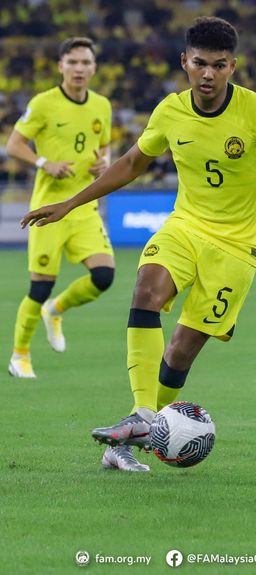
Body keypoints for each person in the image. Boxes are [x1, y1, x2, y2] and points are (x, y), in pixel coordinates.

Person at [21, 17, 256, 472]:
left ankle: (127, 441)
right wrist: (69, 203)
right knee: (146, 289)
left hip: (238, 248)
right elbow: (130, 163)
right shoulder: (169, 111)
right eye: (199, 63)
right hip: (185, 227)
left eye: (218, 66)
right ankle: (143, 417)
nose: (208, 74)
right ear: (184, 61)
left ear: (232, 67)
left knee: (181, 350)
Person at [7, 37, 113, 379]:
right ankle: (19, 356)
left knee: (104, 276)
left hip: (83, 206)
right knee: (39, 286)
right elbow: (13, 144)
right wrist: (43, 162)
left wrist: (104, 164)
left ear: (94, 68)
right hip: (48, 209)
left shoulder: (102, 106)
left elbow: (105, 148)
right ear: (61, 67)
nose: (79, 69)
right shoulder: (43, 103)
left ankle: (57, 309)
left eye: (85, 63)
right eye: (73, 62)